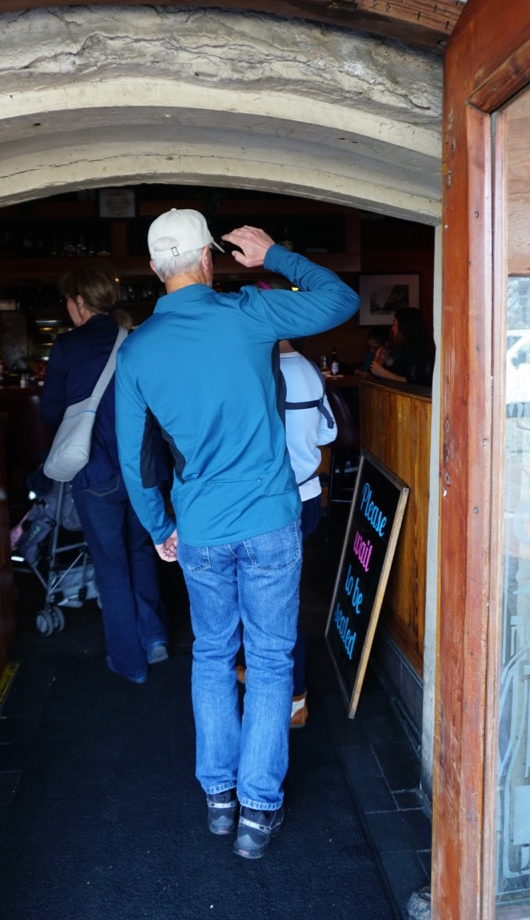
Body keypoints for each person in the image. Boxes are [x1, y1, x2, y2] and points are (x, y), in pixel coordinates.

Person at [115, 209, 359, 859]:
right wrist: (275, 256)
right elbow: (341, 300)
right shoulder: (249, 313)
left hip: (200, 528)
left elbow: (135, 458)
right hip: (271, 520)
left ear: (154, 269)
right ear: (207, 259)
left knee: (212, 655)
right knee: (272, 660)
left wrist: (159, 526)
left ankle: (219, 800)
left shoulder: (136, 350)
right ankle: (258, 812)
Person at [41, 267, 168, 685]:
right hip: (142, 468)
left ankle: (129, 661)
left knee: (110, 565)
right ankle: (154, 637)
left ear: (79, 301)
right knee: (141, 551)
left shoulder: (67, 346)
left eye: (67, 300)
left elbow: (49, 411)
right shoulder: (135, 339)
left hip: (96, 471)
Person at [235, 279, 337, 730]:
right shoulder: (310, 370)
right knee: (278, 596)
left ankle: (294, 697)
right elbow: (328, 434)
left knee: (274, 602)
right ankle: (273, 679)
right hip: (308, 498)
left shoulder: (258, 371)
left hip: (273, 503)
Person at [369, 306, 434, 386]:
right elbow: (401, 372)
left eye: (395, 323)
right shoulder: (408, 346)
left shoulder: (417, 349)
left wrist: (383, 373)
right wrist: (388, 359)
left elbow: (417, 381)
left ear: (404, 326)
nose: (392, 328)